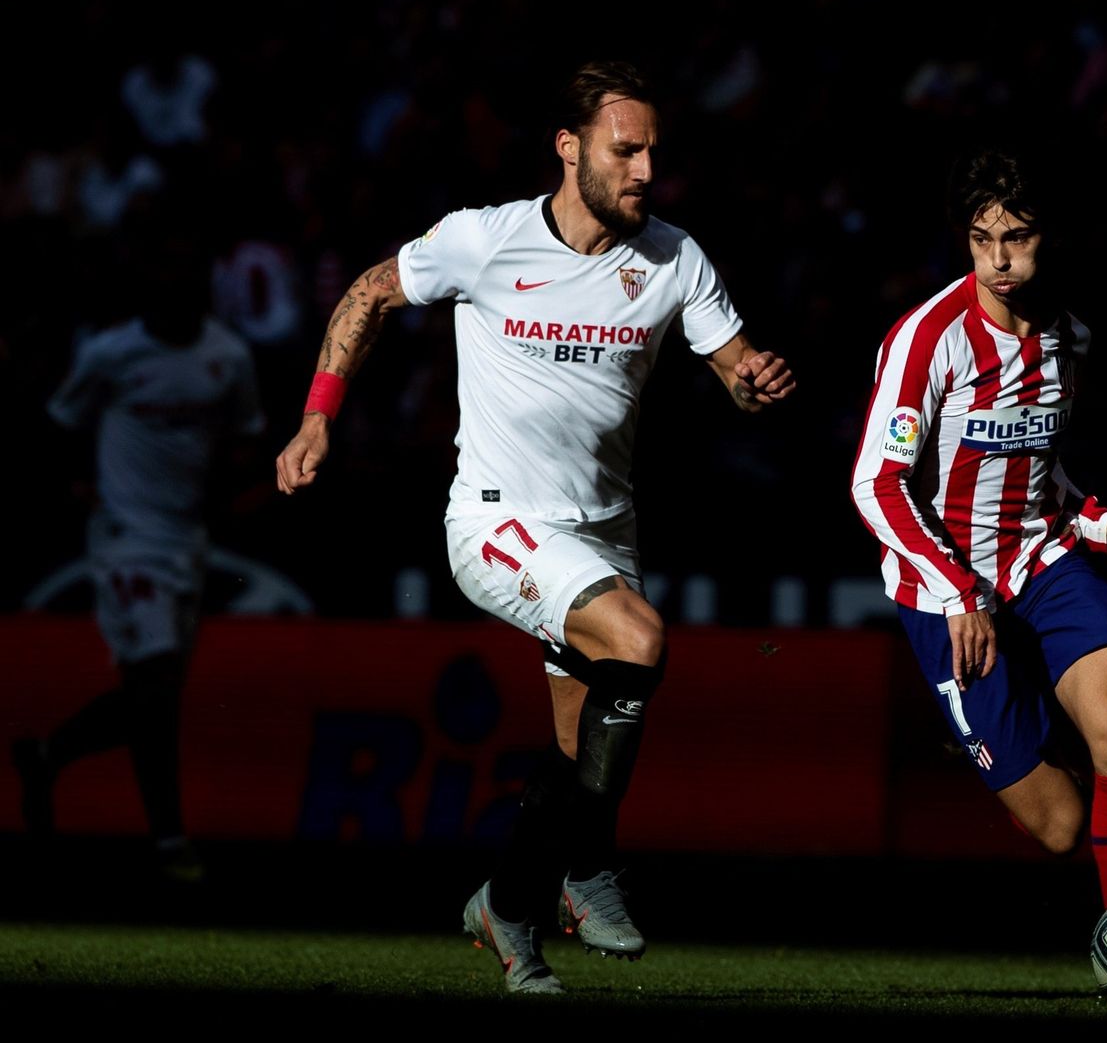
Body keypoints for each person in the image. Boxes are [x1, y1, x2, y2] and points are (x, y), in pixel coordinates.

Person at [274, 60, 794, 995]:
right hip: (497, 523)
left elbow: (733, 364)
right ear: (570, 148)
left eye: (652, 154)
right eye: (624, 150)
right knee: (640, 640)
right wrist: (318, 414)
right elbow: (367, 293)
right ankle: (588, 871)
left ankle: (509, 909)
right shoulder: (486, 240)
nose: (644, 171)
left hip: (605, 531)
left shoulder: (676, 256)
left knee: (582, 752)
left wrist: (754, 380)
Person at [850, 146, 1107, 919]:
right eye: (982, 238)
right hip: (946, 589)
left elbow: (1038, 467)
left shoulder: (1069, 339)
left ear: (1046, 235)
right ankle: (1101, 826)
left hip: (1042, 560)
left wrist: (1100, 522)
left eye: (1017, 237)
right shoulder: (926, 341)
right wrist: (959, 592)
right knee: (1060, 827)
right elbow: (874, 483)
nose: (999, 258)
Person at [12, 217, 266, 885]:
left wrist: (230, 497)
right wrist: (74, 487)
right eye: (163, 268)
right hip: (125, 539)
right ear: (147, 280)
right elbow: (60, 424)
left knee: (156, 697)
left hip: (187, 542)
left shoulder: (227, 357)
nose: (174, 281)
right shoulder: (110, 353)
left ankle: (49, 756)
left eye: (186, 268)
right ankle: (169, 842)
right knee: (153, 685)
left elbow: (243, 440)